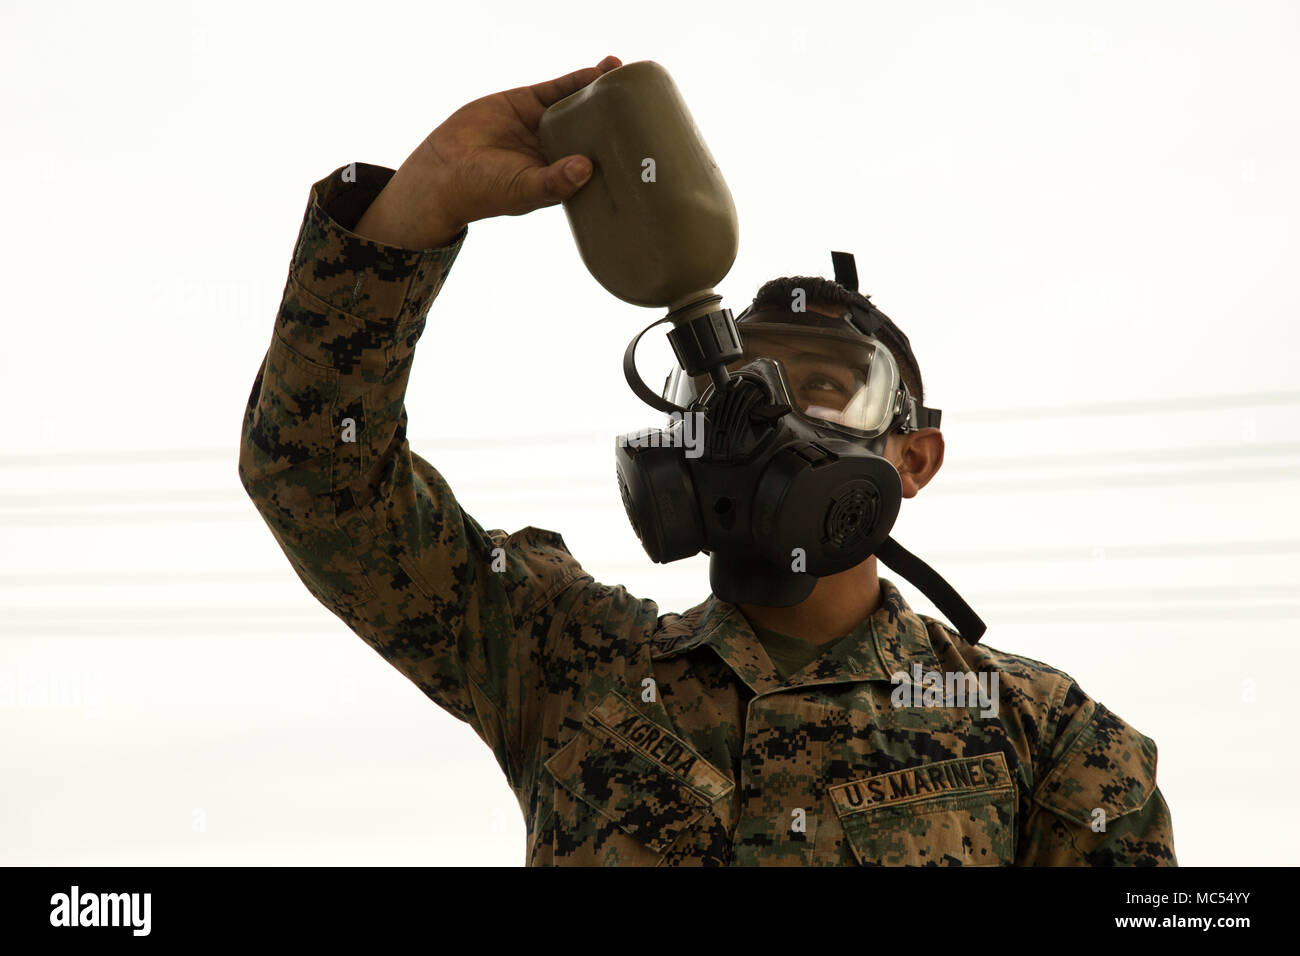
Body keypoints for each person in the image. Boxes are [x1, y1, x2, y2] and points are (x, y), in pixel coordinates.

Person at [238, 55, 1176, 866]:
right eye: (734, 387)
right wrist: (424, 199)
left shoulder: (1041, 732)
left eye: (825, 387)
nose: (757, 416)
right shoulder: (567, 658)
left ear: (915, 456)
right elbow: (318, 480)